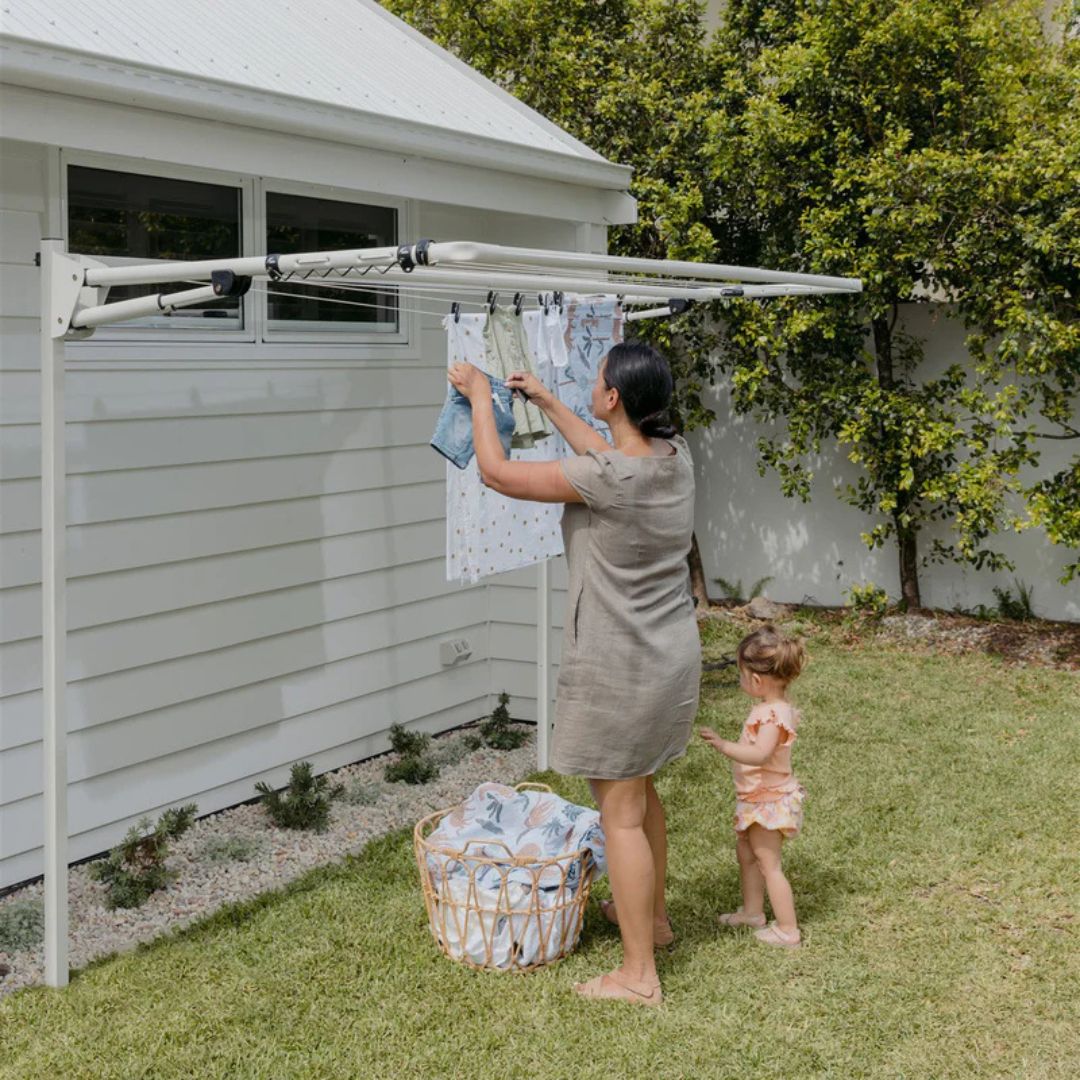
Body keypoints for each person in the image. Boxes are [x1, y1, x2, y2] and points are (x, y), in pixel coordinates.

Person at [447, 340, 701, 1007]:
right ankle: (654, 922)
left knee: (620, 813)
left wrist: (481, 397)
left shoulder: (611, 478)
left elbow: (498, 473)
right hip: (670, 655)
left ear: (613, 397)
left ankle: (638, 975)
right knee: (639, 791)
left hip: (621, 663)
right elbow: (606, 454)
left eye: (596, 381)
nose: (590, 386)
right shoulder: (674, 458)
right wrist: (549, 400)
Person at [699, 625, 807, 948]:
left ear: (757, 681)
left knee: (769, 864)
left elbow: (760, 754)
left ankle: (788, 930)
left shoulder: (772, 716)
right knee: (746, 854)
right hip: (756, 798)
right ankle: (752, 912)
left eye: (742, 675)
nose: (740, 680)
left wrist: (724, 745)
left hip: (767, 801)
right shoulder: (769, 708)